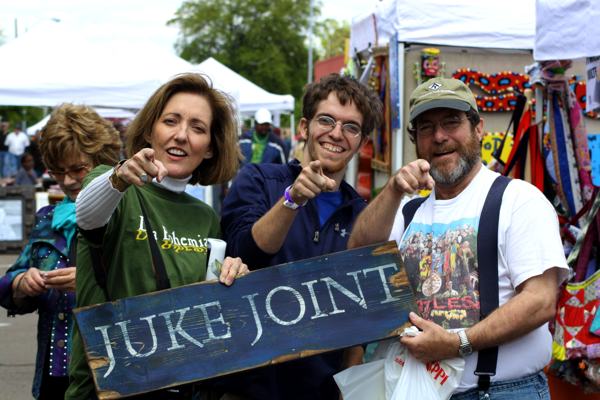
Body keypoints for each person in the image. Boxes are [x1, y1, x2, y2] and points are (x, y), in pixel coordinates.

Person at [348, 77, 569, 399]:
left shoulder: (519, 200)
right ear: (416, 141)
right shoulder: (407, 209)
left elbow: (539, 300)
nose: (439, 137)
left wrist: (458, 343)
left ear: (478, 128)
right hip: (412, 389)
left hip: (500, 391)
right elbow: (357, 255)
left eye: (452, 122)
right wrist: (393, 189)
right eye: (426, 128)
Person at [65, 73, 249, 400]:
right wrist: (120, 178)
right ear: (150, 130)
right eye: (171, 121)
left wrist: (233, 274)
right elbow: (86, 216)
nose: (181, 136)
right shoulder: (111, 185)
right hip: (103, 389)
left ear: (209, 148)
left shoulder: (205, 217)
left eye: (198, 128)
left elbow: (207, 309)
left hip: (175, 386)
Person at [219, 73, 383, 400]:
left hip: (321, 391)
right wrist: (292, 200)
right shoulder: (259, 179)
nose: (337, 133)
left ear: (362, 142)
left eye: (351, 127)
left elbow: (364, 311)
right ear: (305, 128)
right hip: (249, 388)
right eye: (327, 120)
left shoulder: (362, 214)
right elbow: (245, 253)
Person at [0, 103, 122, 399]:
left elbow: (151, 290)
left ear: (103, 160)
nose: (68, 181)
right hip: (55, 375)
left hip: (114, 371)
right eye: (58, 172)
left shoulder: (128, 215)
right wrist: (21, 283)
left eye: (78, 169)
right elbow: (6, 283)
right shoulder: (47, 218)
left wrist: (90, 284)